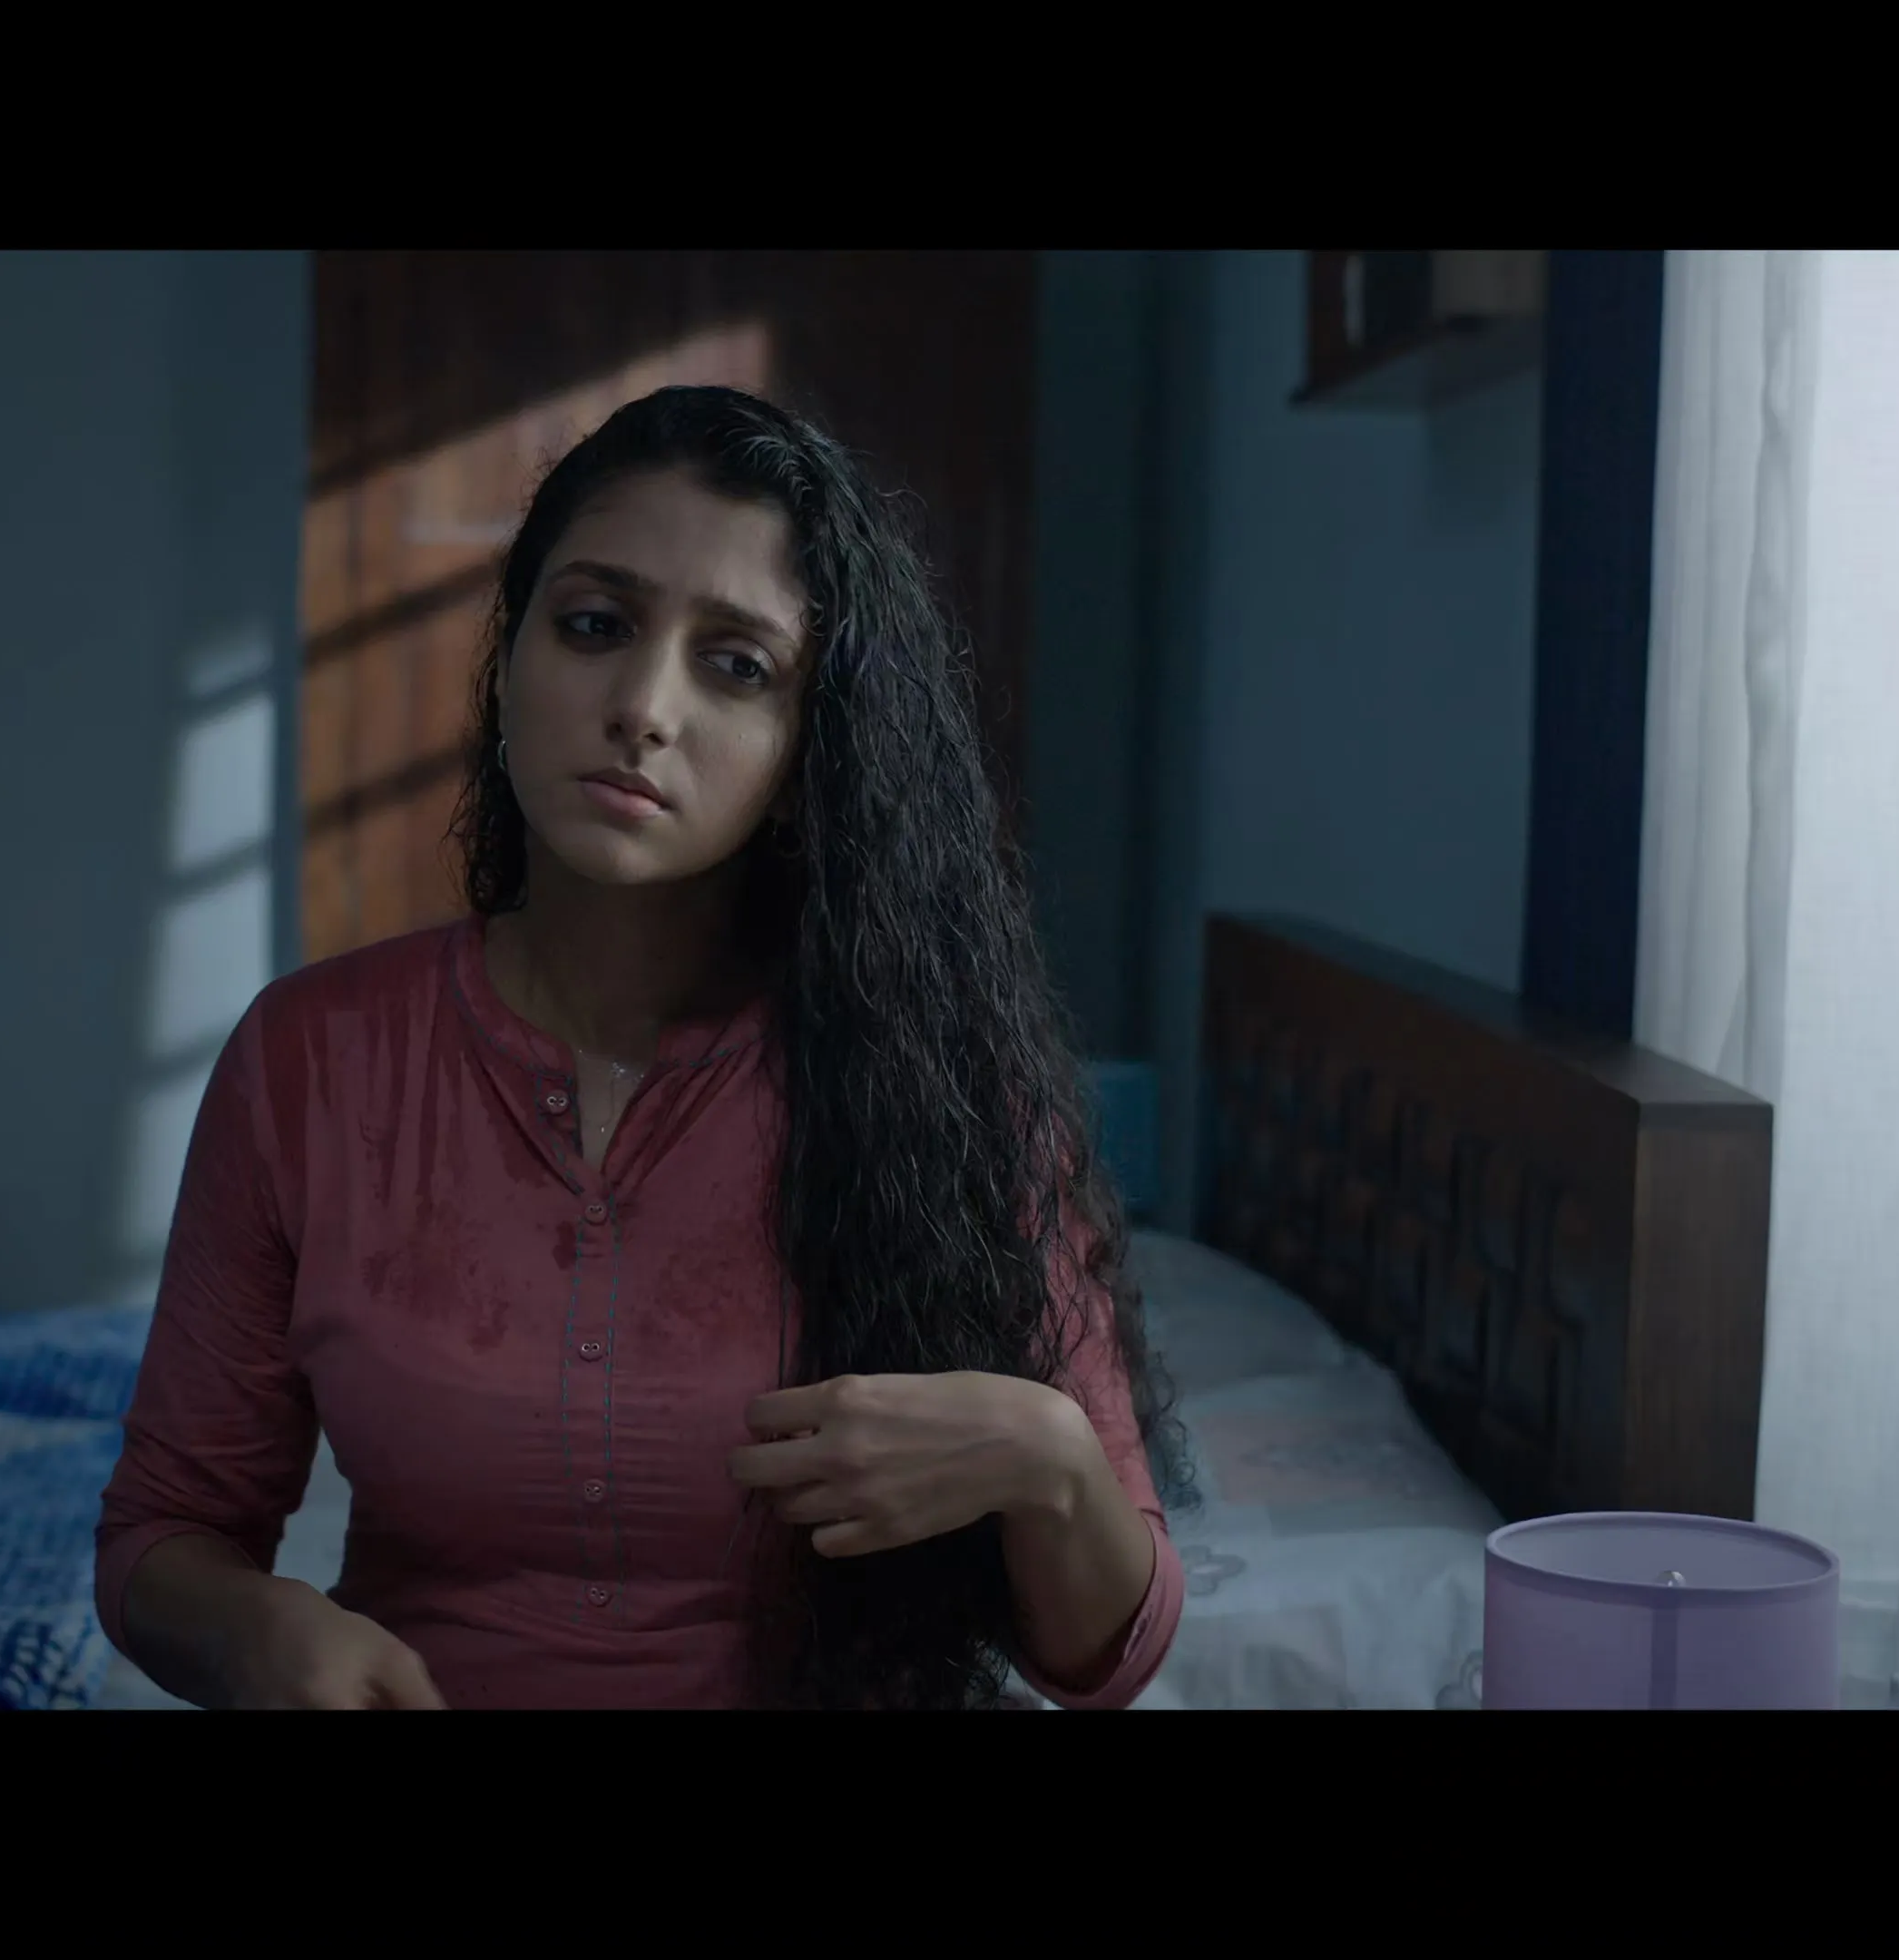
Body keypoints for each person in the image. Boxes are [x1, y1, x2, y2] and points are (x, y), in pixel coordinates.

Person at [94, 385, 1189, 1710]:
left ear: (806, 750)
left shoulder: (944, 1088)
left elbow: (1104, 1657)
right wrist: (257, 1629)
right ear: (511, 656)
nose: (644, 706)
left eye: (737, 665)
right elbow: (163, 1533)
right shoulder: (309, 1057)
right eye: (595, 626)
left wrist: (1050, 1457)